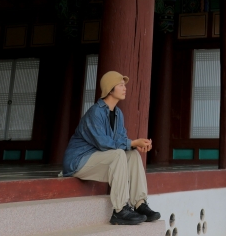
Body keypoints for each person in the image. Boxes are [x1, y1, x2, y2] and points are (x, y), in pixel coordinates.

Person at [62, 70, 160, 226]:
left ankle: (139, 204)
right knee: (119, 154)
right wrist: (132, 143)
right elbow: (103, 143)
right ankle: (120, 210)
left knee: (133, 155)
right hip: (79, 161)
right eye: (120, 85)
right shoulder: (95, 112)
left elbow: (121, 139)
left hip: (100, 159)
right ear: (110, 88)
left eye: (124, 85)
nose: (124, 88)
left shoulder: (118, 113)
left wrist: (136, 145)